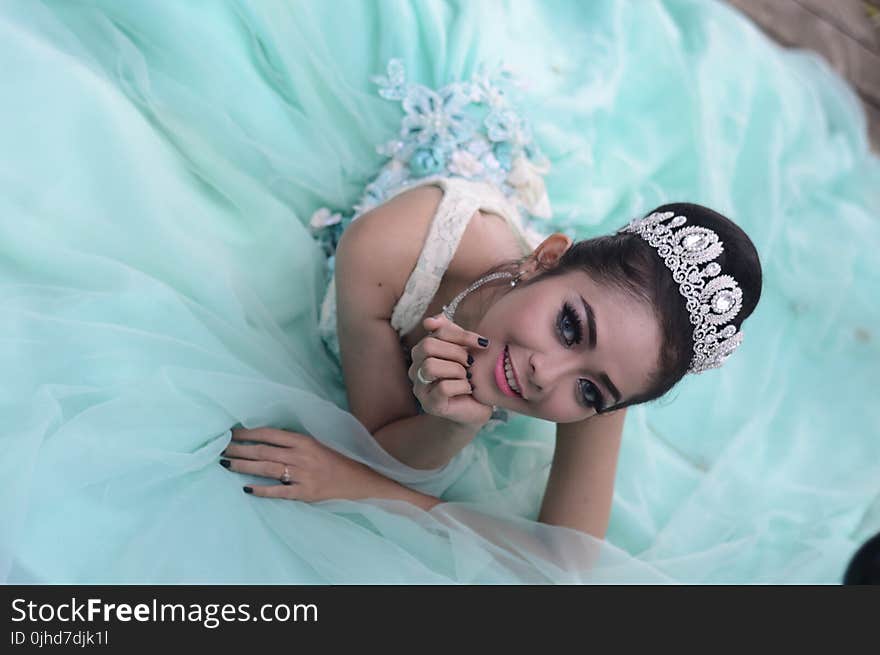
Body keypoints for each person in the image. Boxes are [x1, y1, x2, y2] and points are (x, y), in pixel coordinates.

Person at [218, 59, 763, 543]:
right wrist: (436, 433)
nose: (547, 376)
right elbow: (380, 439)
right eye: (569, 327)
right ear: (546, 257)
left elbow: (566, 562)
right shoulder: (390, 249)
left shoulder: (619, 356)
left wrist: (418, 450)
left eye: (591, 392)